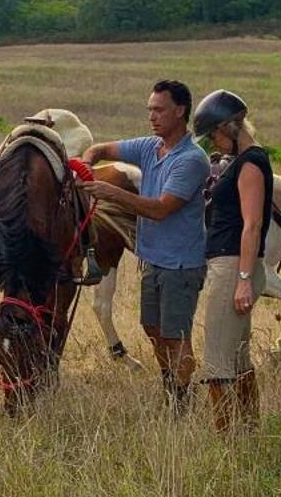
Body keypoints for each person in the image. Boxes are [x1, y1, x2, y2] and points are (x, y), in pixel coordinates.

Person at [84, 80, 210, 413]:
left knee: (176, 336)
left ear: (180, 111)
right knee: (152, 327)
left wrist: (111, 193)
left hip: (180, 264)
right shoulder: (149, 147)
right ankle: (171, 385)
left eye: (159, 110)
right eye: (149, 110)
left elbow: (160, 208)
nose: (152, 117)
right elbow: (100, 150)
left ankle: (181, 402)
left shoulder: (191, 160)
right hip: (154, 260)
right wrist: (86, 163)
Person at [192, 88, 272, 429]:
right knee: (239, 358)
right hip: (234, 264)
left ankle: (226, 441)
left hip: (233, 266)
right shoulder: (247, 160)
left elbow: (252, 225)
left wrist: (242, 280)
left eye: (213, 135)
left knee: (217, 363)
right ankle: (251, 429)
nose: (213, 143)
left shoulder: (251, 163)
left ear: (229, 127)